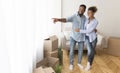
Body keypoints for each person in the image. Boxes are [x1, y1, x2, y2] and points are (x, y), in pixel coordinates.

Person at [52, 4, 86, 70]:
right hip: (73, 36)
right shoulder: (74, 16)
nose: (80, 10)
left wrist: (93, 29)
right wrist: (58, 19)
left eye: (82, 9)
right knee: (71, 51)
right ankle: (71, 64)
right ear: (78, 9)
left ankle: (79, 63)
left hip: (81, 37)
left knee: (81, 51)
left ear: (84, 10)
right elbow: (66, 19)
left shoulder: (85, 18)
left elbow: (87, 27)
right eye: (80, 9)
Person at [74, 6, 98, 71]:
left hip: (93, 39)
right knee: (90, 51)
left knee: (91, 52)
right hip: (87, 38)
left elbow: (89, 31)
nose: (88, 13)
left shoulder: (95, 21)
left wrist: (79, 30)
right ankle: (89, 64)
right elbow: (85, 28)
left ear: (93, 13)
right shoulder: (87, 19)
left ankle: (89, 65)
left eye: (90, 12)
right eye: (88, 12)